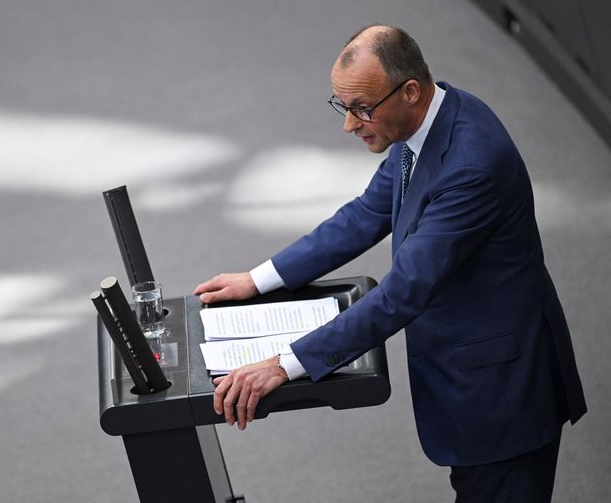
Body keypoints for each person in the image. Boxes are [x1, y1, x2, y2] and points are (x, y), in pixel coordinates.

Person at [194, 25, 586, 502]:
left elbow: (404, 291)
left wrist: (283, 365)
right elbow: (366, 213)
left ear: (410, 91)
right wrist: (258, 280)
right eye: (343, 106)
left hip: (502, 394)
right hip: (472, 373)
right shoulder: (423, 122)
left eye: (361, 108)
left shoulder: (471, 167)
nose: (349, 124)